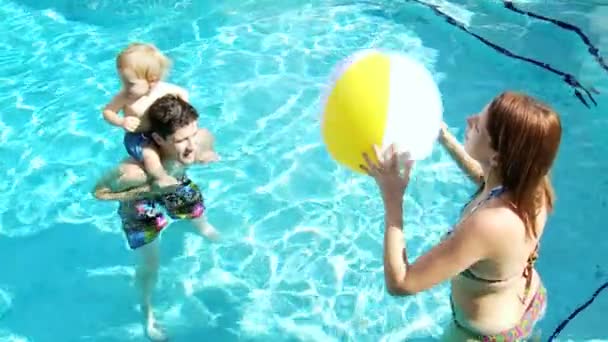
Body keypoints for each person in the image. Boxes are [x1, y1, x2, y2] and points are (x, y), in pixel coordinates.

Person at [361, 91, 562, 341]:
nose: (469, 119)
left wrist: (393, 197)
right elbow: (486, 180)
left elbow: (401, 283)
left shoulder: (488, 225)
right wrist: (444, 138)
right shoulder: (534, 187)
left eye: (478, 125)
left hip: (485, 336)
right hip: (529, 304)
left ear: (497, 157)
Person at [94, 94, 220, 342]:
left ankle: (204, 229)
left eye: (192, 135)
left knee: (193, 205)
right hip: (140, 201)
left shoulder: (199, 140)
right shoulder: (131, 172)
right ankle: (147, 313)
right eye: (181, 140)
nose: (191, 146)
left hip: (175, 183)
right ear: (159, 139)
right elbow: (99, 193)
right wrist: (147, 191)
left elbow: (199, 146)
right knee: (151, 265)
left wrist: (205, 155)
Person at [102, 42, 191, 191]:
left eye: (130, 83)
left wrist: (181, 114)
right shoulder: (125, 96)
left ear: (152, 81)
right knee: (150, 154)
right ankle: (162, 178)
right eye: (122, 80)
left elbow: (183, 93)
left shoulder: (165, 90)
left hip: (159, 133)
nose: (124, 86)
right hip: (139, 138)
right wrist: (121, 121)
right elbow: (107, 112)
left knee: (180, 145)